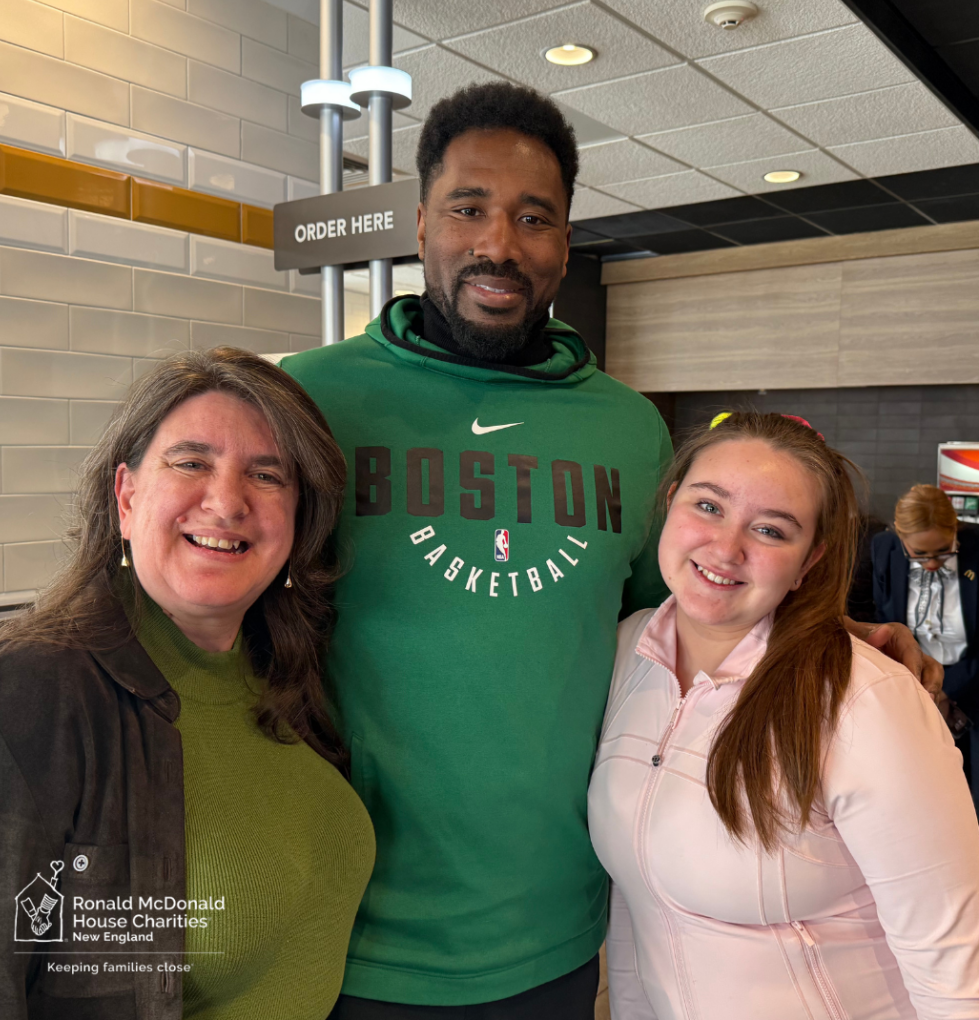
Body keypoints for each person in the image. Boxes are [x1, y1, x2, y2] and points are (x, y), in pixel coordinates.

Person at [278, 83, 940, 1018]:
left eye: (534, 217)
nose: (499, 244)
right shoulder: (310, 400)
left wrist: (823, 635)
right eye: (468, 208)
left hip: (559, 926)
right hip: (339, 929)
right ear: (420, 222)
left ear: (565, 241)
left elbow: (677, 622)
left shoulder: (628, 428)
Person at [0, 348, 375, 1019]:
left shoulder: (290, 673)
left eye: (267, 475)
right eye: (191, 463)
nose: (226, 502)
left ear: (298, 523)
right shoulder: (27, 691)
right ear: (126, 497)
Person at [589, 412, 979, 1020]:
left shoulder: (868, 702)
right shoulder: (622, 656)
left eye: (771, 530)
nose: (726, 549)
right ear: (669, 503)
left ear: (809, 560)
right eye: (709, 506)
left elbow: (954, 970)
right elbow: (636, 912)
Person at [873, 484, 979, 811]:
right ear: (900, 535)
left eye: (943, 551)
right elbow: (882, 624)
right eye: (919, 554)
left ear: (954, 529)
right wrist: (921, 684)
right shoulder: (883, 549)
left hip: (972, 683)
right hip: (913, 686)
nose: (932, 563)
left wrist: (948, 688)